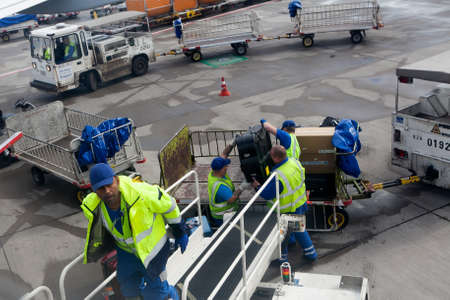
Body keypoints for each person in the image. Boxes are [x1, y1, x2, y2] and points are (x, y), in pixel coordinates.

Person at [81, 163, 188, 300]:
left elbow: (169, 205)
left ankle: (171, 295)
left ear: (117, 180)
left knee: (157, 293)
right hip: (127, 254)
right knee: (128, 289)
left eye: (109, 184)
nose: (107, 191)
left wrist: (180, 231)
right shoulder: (94, 207)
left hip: (152, 253)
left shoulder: (141, 193)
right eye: (101, 188)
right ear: (94, 190)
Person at [252, 145, 317, 263]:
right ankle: (310, 252)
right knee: (298, 230)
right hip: (300, 202)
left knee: (283, 234)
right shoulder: (294, 162)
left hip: (288, 208)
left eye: (271, 156)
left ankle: (282, 258)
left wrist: (257, 186)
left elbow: (267, 194)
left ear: (276, 158)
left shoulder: (278, 175)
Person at [208, 144, 249, 227]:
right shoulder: (220, 187)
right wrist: (242, 187)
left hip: (222, 214)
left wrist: (232, 144)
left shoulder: (214, 173)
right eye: (225, 166)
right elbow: (231, 199)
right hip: (223, 216)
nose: (227, 167)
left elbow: (224, 154)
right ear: (220, 169)